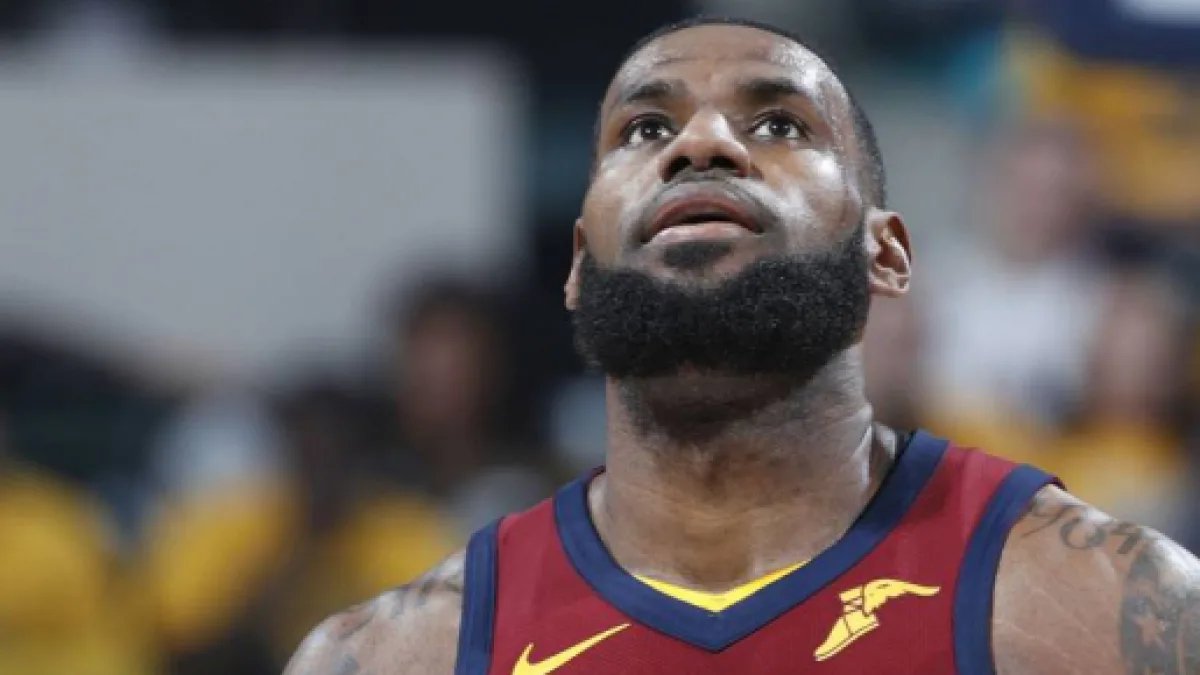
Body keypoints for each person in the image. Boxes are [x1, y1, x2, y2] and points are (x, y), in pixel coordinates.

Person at [284, 16, 1200, 675]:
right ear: (578, 263)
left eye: (779, 124)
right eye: (646, 128)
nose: (703, 143)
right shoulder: (404, 653)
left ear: (885, 255)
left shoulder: (1103, 607)